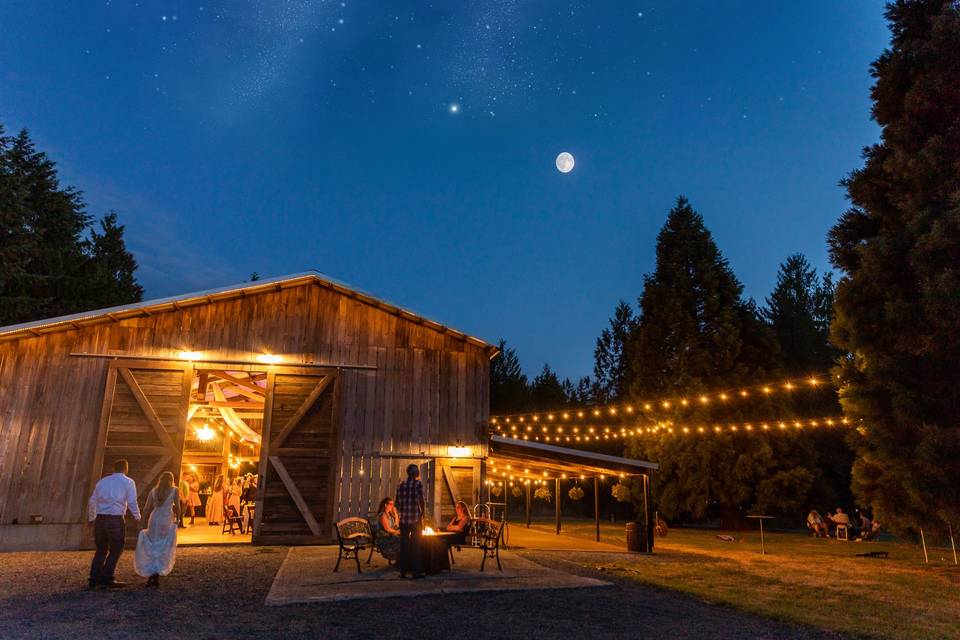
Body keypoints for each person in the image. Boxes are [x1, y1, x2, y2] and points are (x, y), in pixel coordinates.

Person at [87, 459, 141, 589]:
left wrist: (91, 518)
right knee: (117, 548)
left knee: (101, 549)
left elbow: (92, 500)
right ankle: (107, 577)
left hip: (100, 519)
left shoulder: (102, 482)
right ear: (125, 469)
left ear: (114, 468)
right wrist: (137, 516)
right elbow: (132, 501)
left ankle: (94, 578)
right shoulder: (128, 482)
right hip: (115, 519)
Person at [134, 471, 180, 587]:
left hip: (154, 518)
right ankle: (157, 574)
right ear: (171, 480)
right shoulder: (174, 490)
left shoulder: (154, 491)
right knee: (163, 545)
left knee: (153, 544)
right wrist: (178, 520)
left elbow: (147, 508)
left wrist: (142, 522)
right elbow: (178, 507)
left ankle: (151, 574)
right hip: (166, 518)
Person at [395, 464, 425, 578]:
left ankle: (403, 571)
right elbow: (421, 500)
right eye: (417, 470)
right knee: (416, 546)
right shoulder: (418, 484)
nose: (418, 472)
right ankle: (415, 572)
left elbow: (397, 502)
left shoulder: (401, 485)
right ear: (414, 473)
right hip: (415, 519)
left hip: (404, 520)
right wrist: (423, 514)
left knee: (404, 546)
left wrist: (402, 511)